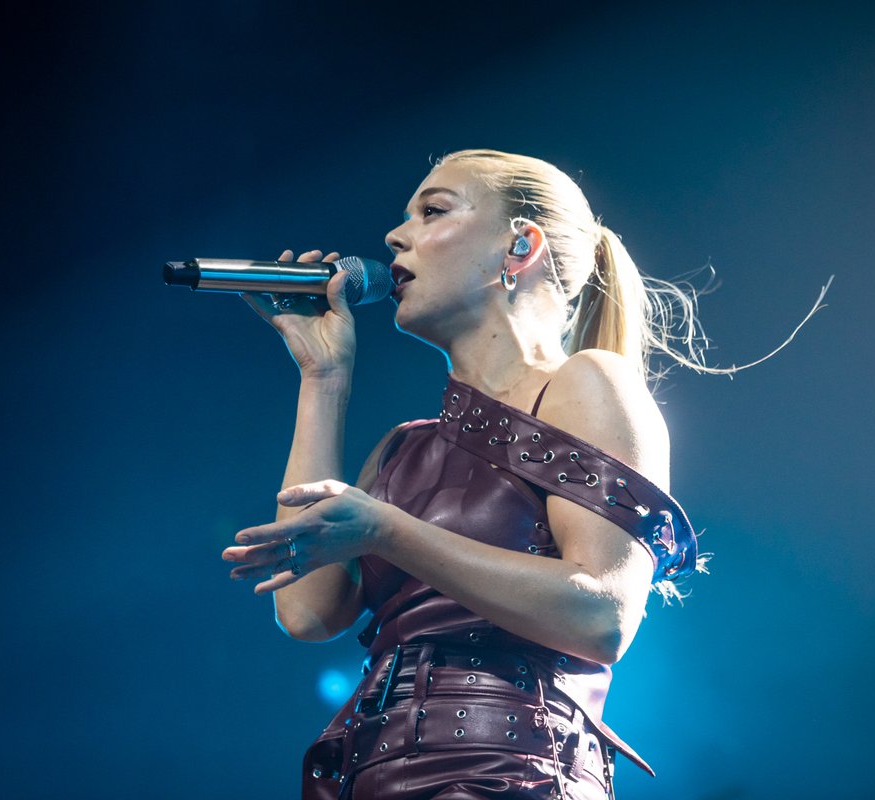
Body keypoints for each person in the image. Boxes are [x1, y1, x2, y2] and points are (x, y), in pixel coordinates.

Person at [220, 150, 756, 799]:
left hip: (511, 777)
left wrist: (387, 532)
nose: (395, 235)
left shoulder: (585, 385)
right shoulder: (401, 451)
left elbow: (603, 616)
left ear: (520, 245)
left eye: (433, 210)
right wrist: (321, 377)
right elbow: (304, 611)